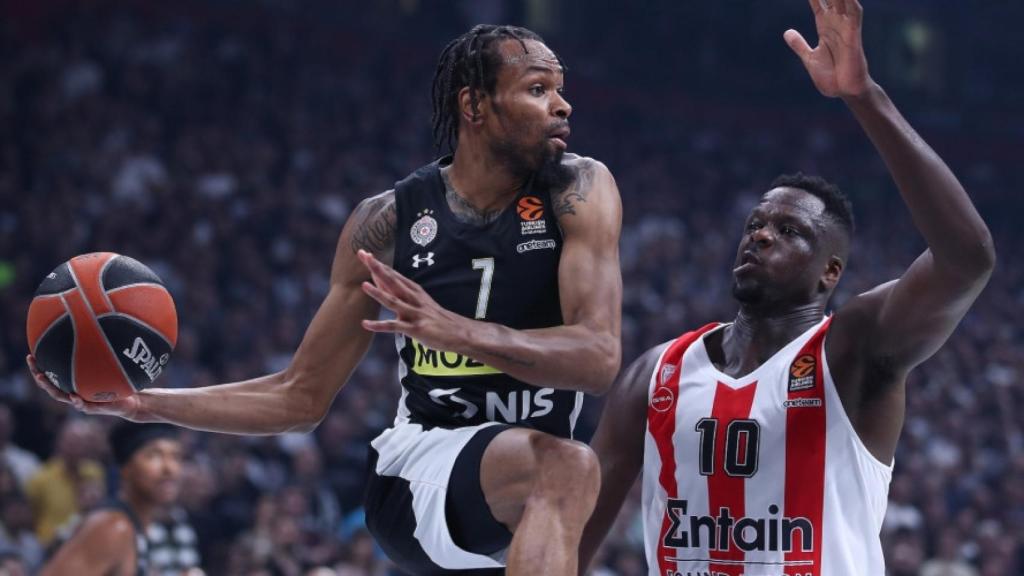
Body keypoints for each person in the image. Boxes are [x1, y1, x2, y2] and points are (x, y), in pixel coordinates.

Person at [29, 24, 623, 576]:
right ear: (473, 106)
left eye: (560, 89)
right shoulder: (386, 222)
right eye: (538, 89)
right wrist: (146, 404)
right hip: (417, 473)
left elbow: (597, 359)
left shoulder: (579, 190)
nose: (562, 105)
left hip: (514, 493)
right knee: (568, 465)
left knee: (566, 474)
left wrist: (460, 332)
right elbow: (300, 397)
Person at [579, 1, 995, 575]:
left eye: (790, 231)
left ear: (831, 272)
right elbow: (568, 539)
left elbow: (967, 258)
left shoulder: (852, 351)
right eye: (755, 225)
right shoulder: (656, 374)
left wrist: (862, 95)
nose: (762, 236)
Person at [41, 422, 200, 576]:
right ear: (125, 468)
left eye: (176, 457)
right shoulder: (113, 527)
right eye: (154, 455)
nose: (169, 469)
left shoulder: (138, 526)